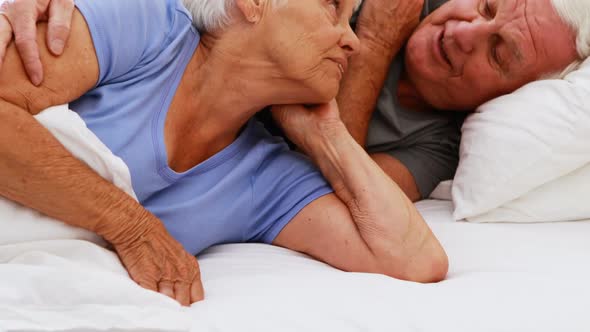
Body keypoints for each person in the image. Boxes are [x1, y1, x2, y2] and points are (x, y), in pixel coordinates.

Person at [0, 0, 448, 307]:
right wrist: (131, 226)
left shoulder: (267, 176)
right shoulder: (146, 25)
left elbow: (416, 260)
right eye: (332, 6)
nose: (351, 40)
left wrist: (327, 135)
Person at [334, 0, 588, 201]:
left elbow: (331, 196)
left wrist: (377, 42)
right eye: (486, 7)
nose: (463, 33)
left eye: (497, 54)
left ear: (512, 97)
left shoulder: (439, 149)